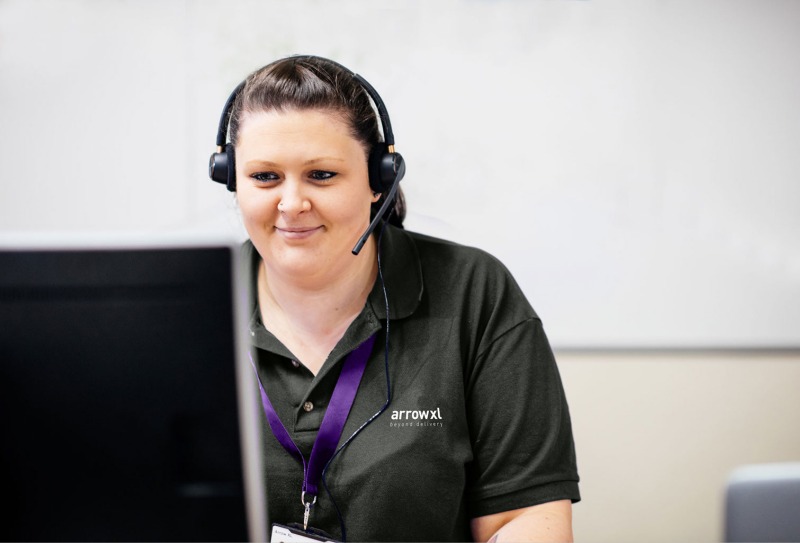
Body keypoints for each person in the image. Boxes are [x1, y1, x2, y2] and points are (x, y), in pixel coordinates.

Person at [209, 55, 580, 542]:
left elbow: (525, 519)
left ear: (378, 180)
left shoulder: (474, 291)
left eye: (321, 175)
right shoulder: (190, 308)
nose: (292, 204)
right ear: (232, 179)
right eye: (265, 177)